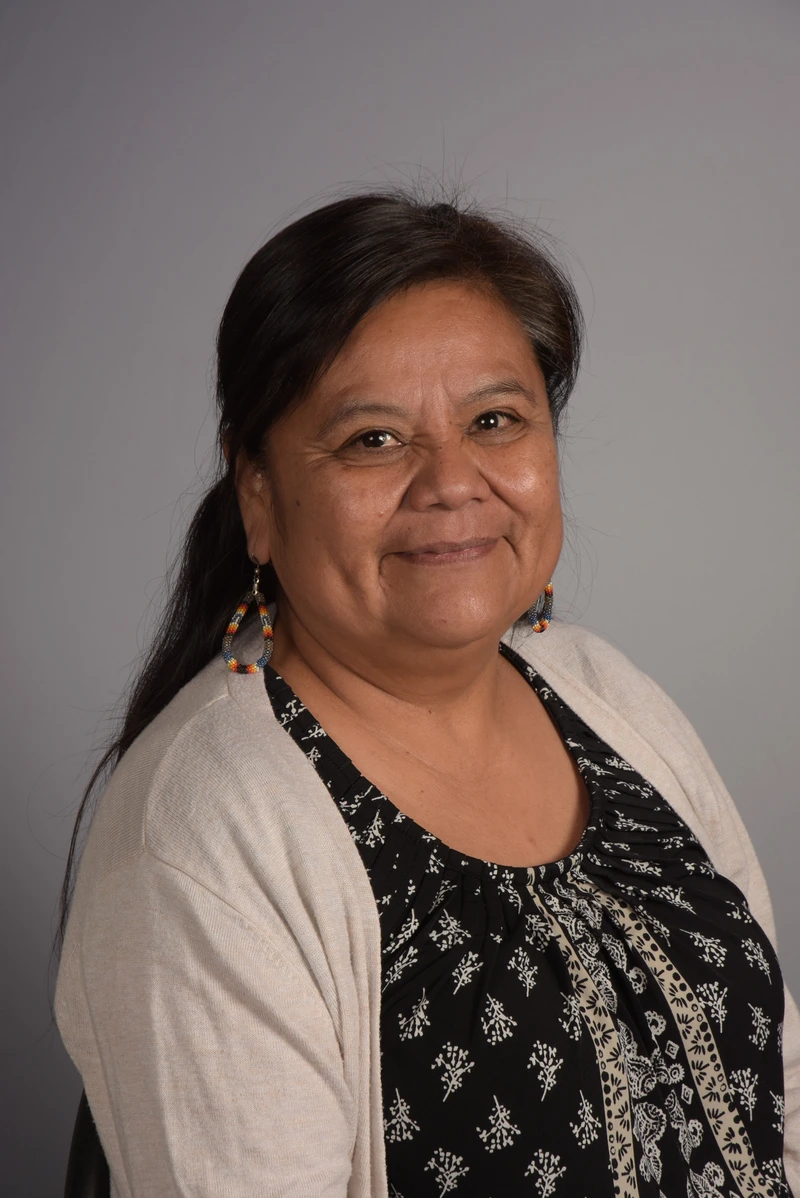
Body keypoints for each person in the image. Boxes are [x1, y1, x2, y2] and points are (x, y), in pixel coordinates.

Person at [56, 190, 799, 1198]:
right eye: (373, 439)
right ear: (258, 494)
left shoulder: (605, 694)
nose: (452, 480)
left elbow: (775, 1091)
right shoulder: (201, 833)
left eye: (494, 420)